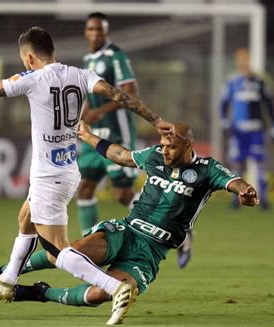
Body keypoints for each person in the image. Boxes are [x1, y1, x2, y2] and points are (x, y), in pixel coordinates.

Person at [0, 26, 173, 325]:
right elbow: (120, 95)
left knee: (56, 248)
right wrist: (156, 119)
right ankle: (8, 278)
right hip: (67, 170)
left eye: (24, 59)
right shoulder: (82, 75)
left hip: (49, 176)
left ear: (30, 57)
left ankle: (116, 287)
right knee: (26, 217)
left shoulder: (32, 78)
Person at [0, 121, 259, 322]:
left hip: (151, 252)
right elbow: (120, 155)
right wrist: (88, 135)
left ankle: (36, 293)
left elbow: (234, 182)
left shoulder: (207, 169)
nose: (165, 151)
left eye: (171, 147)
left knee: (99, 294)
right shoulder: (155, 156)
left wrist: (246, 191)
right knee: (72, 253)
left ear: (187, 145)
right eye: (163, 145)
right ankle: (3, 271)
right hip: (127, 231)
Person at [78, 12, 192, 268]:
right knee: (84, 188)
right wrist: (85, 112)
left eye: (100, 30)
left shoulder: (115, 56)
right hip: (95, 135)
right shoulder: (87, 59)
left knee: (121, 193)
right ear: (86, 32)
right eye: (91, 29)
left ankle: (177, 230)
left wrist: (98, 112)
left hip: (118, 135)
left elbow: (130, 93)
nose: (95, 34)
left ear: (106, 32)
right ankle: (87, 252)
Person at [220, 47, 274, 210]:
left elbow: (269, 104)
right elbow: (223, 103)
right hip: (238, 131)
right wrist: (223, 120)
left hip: (256, 130)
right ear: (236, 60)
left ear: (250, 59)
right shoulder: (232, 81)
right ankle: (236, 200)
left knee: (260, 164)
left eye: (246, 57)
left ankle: (264, 200)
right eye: (240, 58)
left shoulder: (260, 81)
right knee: (237, 164)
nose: (243, 61)